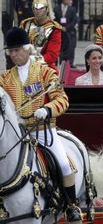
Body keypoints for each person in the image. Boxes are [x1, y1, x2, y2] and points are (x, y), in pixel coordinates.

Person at [1, 27, 81, 223]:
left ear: (28, 49)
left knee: (63, 163)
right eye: (11, 51)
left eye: (18, 50)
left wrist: (47, 109)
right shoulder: (4, 78)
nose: (14, 54)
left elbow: (62, 99)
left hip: (44, 130)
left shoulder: (44, 73)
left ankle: (71, 206)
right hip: (18, 133)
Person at [20, 0, 62, 73]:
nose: (37, 10)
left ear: (46, 9)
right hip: (23, 64)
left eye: (41, 8)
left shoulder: (54, 28)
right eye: (35, 7)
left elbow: (52, 56)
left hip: (44, 67)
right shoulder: (25, 24)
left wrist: (31, 61)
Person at [54, 0, 78, 68]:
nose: (69, 1)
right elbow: (54, 19)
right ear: (63, 0)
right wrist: (60, 27)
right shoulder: (56, 8)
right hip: (59, 31)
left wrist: (67, 28)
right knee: (59, 47)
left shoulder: (72, 9)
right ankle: (58, 61)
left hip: (69, 31)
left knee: (71, 47)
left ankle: (70, 63)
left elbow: (74, 20)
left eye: (70, 0)